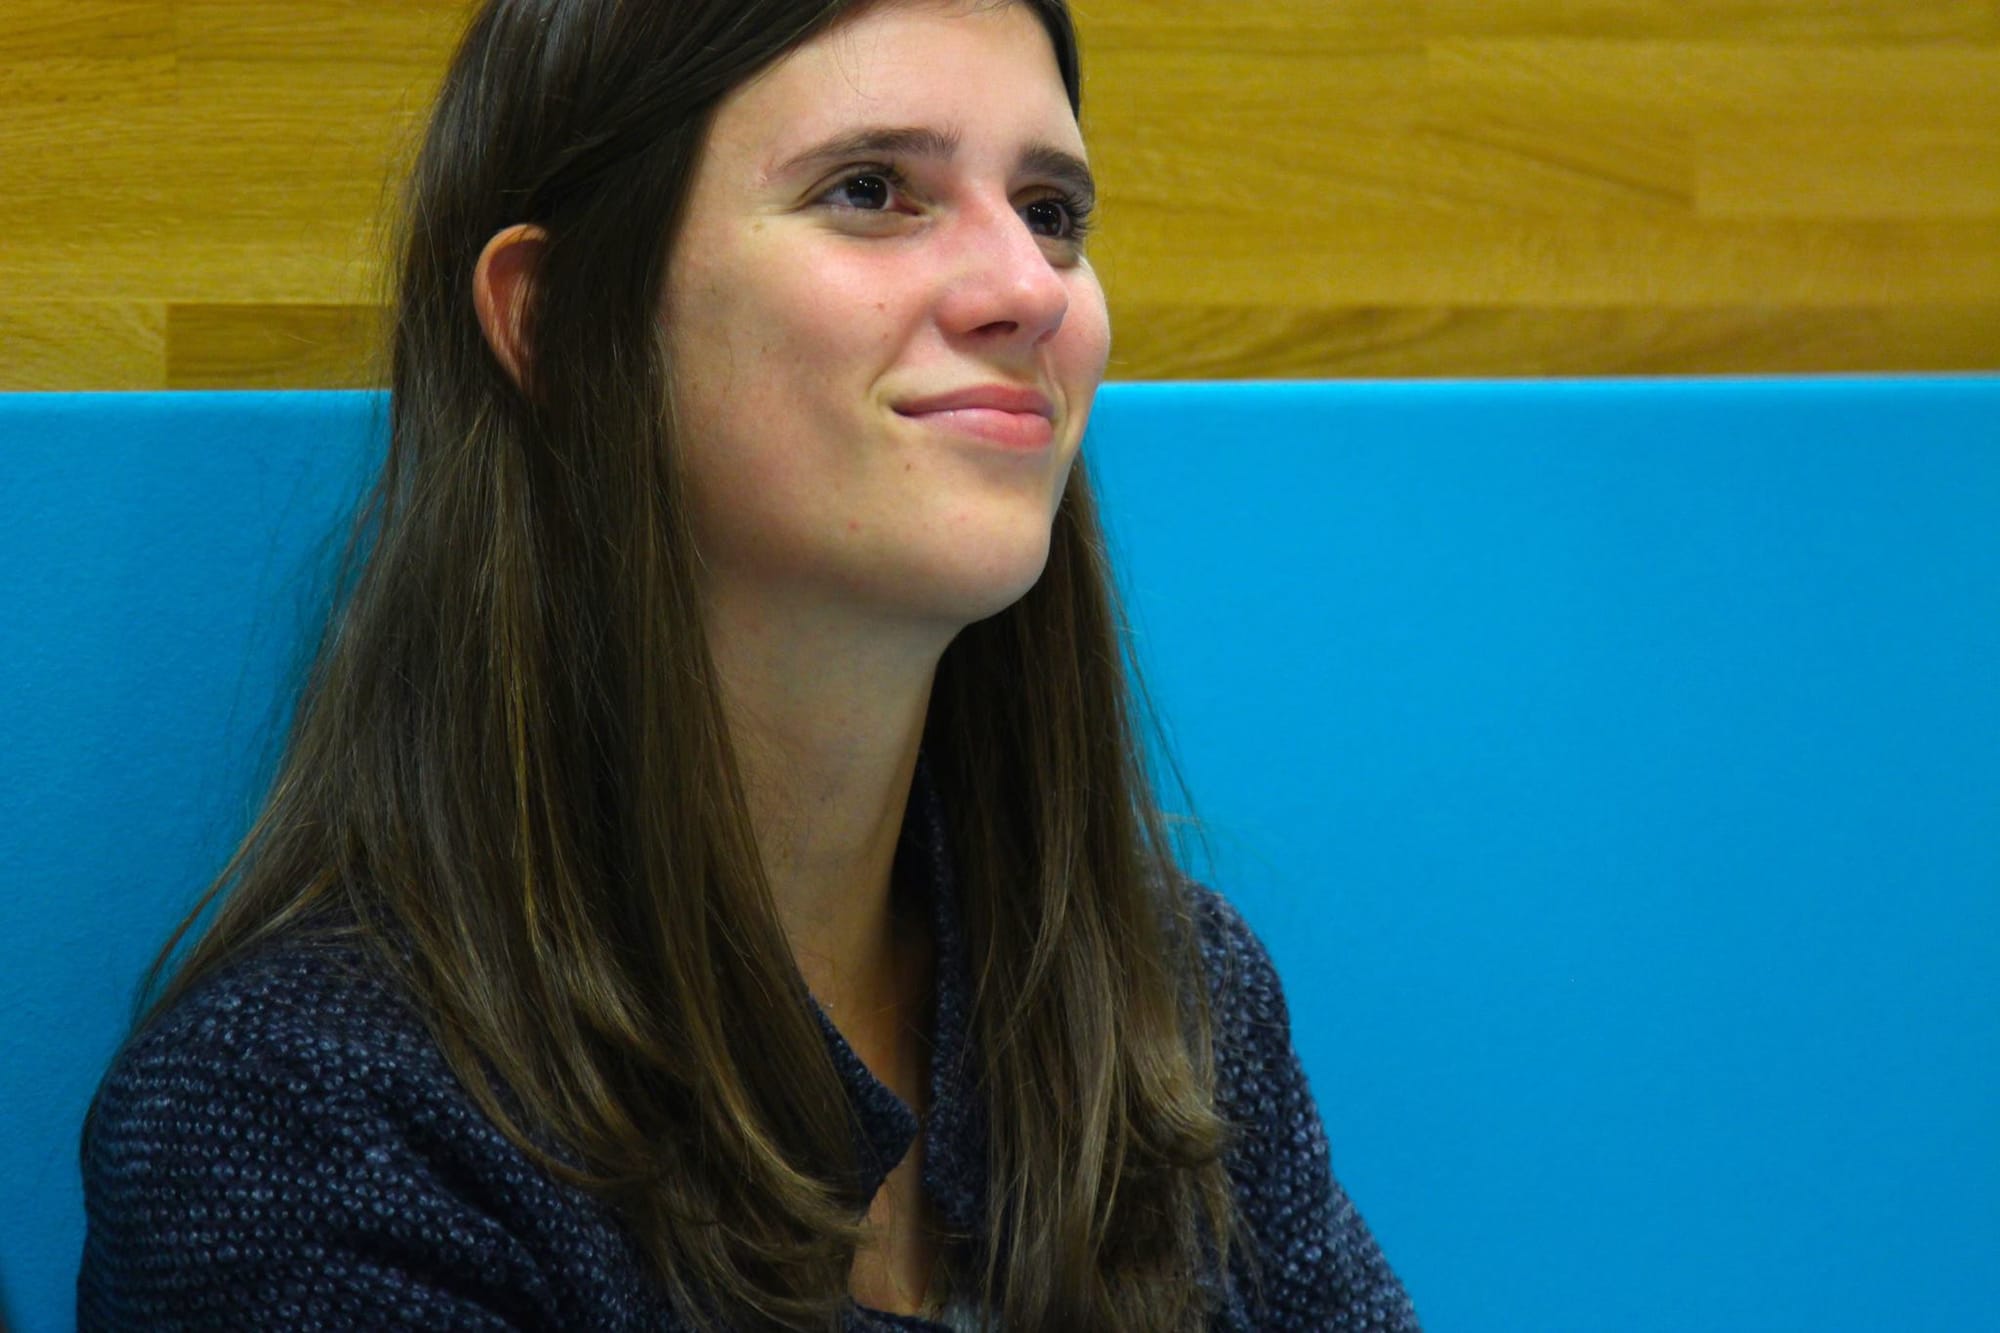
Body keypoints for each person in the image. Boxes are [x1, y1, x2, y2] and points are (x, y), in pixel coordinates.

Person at [78, 0, 1419, 1328]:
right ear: (556, 321)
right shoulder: (313, 1118)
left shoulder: (1174, 998)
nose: (1029, 288)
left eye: (1052, 211)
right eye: (871, 189)